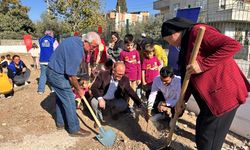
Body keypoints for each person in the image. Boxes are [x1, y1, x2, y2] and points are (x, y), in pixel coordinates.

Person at [161, 17, 250, 150]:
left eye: (168, 41)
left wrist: (203, 65)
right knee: (203, 134)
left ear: (174, 34)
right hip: (210, 98)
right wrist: (182, 100)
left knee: (207, 138)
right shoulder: (185, 45)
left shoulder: (197, 32)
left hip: (223, 95)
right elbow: (188, 76)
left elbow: (233, 45)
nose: (171, 45)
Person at [46, 32, 101, 137]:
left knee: (61, 98)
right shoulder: (77, 51)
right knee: (70, 98)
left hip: (55, 70)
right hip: (57, 74)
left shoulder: (76, 40)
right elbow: (71, 76)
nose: (93, 49)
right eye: (93, 46)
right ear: (86, 42)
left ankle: (60, 123)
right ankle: (74, 129)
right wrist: (79, 89)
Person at [120, 34, 141, 118]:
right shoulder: (122, 53)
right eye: (128, 45)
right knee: (126, 92)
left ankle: (130, 107)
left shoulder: (136, 53)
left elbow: (139, 66)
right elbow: (121, 65)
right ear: (124, 44)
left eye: (131, 45)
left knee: (133, 92)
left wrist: (139, 77)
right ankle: (124, 106)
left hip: (135, 77)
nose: (129, 47)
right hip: (126, 77)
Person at [37, 30, 58, 94]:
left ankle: (40, 90)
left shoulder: (40, 40)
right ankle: (53, 89)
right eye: (52, 34)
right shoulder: (53, 40)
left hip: (42, 60)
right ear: (50, 34)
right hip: (51, 60)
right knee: (52, 75)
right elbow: (57, 49)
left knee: (43, 75)